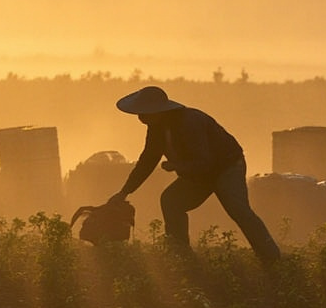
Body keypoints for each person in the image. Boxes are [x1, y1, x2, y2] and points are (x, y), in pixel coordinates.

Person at [109, 85, 280, 264]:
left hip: (226, 168)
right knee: (171, 200)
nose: (141, 118)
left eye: (145, 113)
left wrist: (177, 165)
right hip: (199, 172)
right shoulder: (156, 127)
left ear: (158, 111)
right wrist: (124, 192)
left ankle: (271, 259)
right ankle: (180, 255)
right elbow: (147, 161)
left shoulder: (189, 122)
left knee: (239, 210)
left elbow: (203, 162)